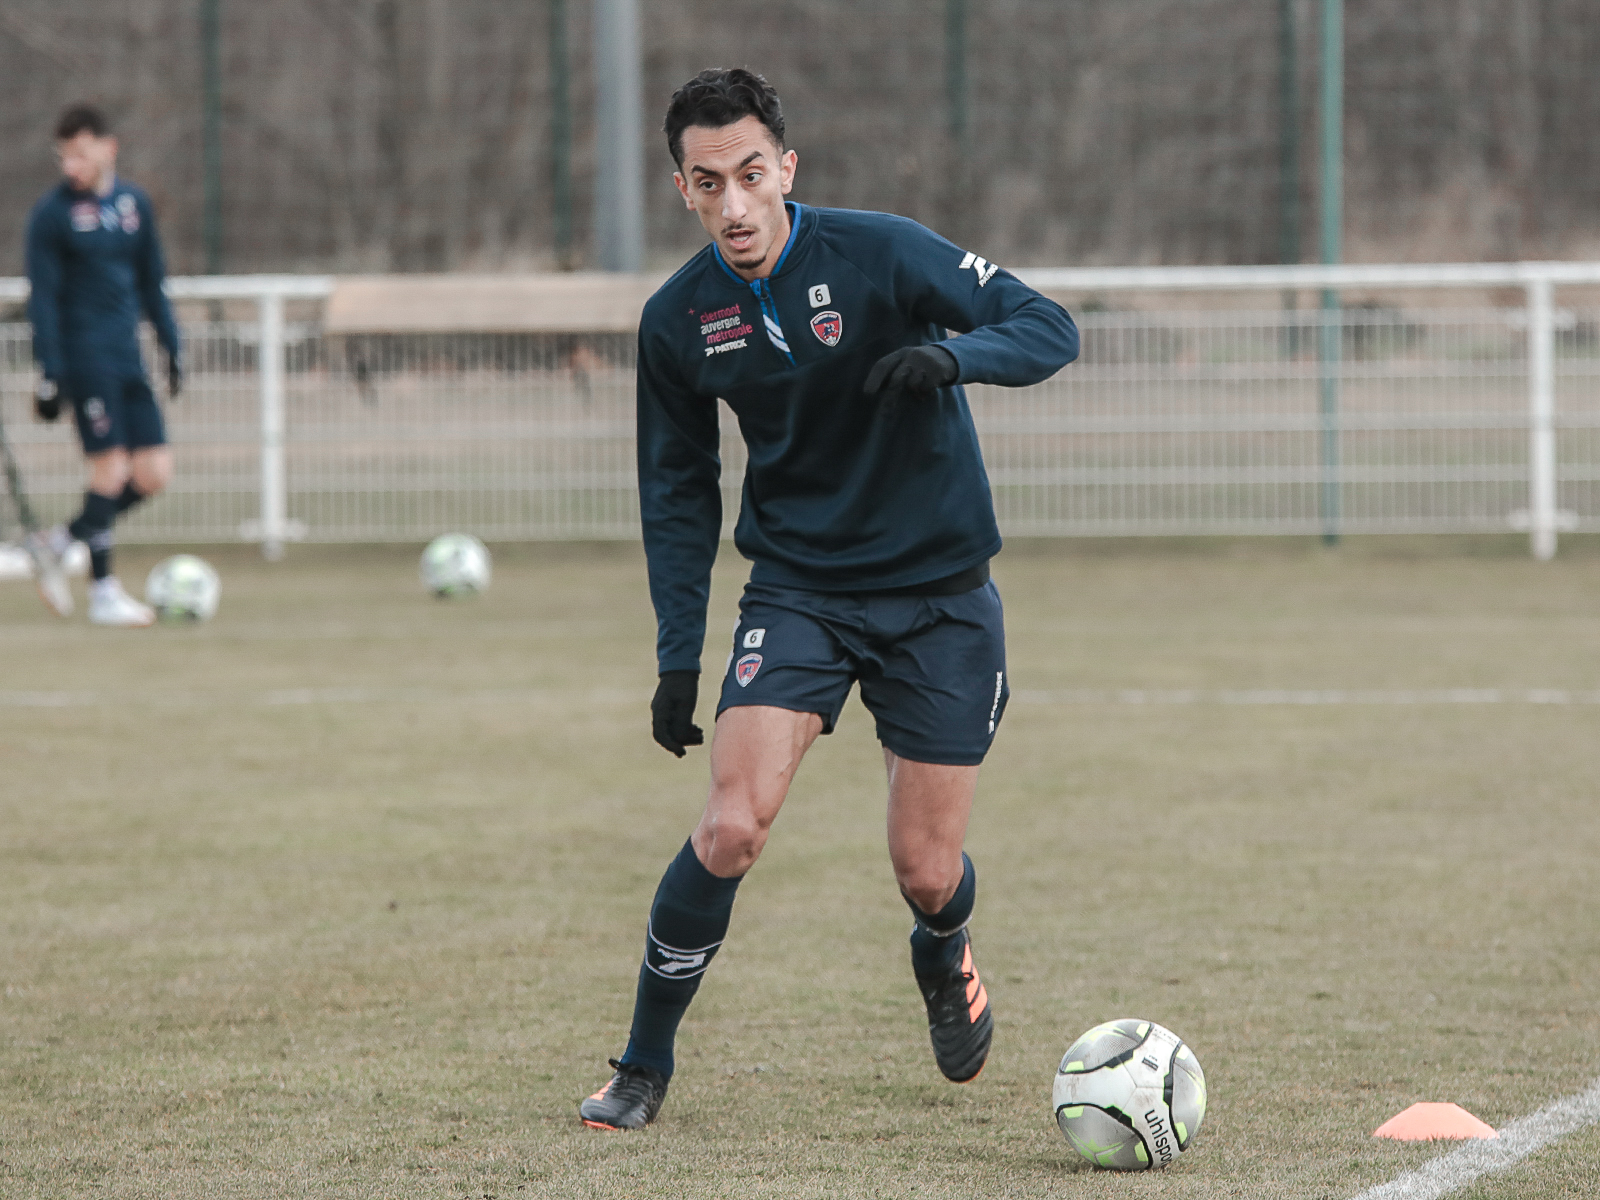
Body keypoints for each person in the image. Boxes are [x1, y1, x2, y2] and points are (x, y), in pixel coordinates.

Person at [579, 68, 1079, 1131]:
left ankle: (944, 956)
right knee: (729, 826)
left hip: (940, 596)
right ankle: (641, 1066)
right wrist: (679, 655)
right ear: (684, 189)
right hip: (798, 592)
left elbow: (1045, 326)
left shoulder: (883, 249)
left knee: (925, 868)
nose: (735, 205)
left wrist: (950, 359)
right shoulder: (678, 320)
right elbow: (676, 495)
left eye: (751, 175)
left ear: (786, 169)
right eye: (708, 183)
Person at [24, 103, 183, 626]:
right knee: (110, 467)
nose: (71, 166)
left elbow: (151, 281)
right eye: (64, 156)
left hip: (128, 357)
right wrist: (50, 370)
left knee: (155, 472)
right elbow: (43, 299)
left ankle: (60, 540)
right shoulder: (52, 216)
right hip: (84, 359)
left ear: (107, 148)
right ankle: (103, 592)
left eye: (81, 154)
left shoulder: (134, 204)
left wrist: (171, 344)